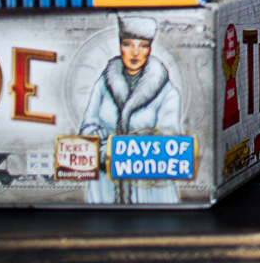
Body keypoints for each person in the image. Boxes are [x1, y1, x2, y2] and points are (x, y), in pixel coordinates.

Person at [79, 13, 184, 205]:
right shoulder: (103, 84)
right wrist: (104, 152)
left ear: (150, 49)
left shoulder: (167, 93)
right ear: (120, 46)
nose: (135, 53)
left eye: (142, 46)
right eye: (128, 44)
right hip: (106, 187)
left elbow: (168, 144)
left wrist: (119, 150)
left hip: (149, 191)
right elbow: (86, 130)